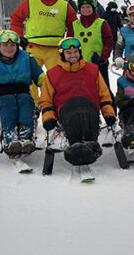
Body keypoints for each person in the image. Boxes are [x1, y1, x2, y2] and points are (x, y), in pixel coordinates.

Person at [39, 37, 116, 166]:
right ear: (62, 54)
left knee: (86, 115)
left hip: (90, 113)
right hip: (66, 115)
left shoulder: (93, 70)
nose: (73, 55)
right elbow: (46, 101)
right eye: (69, 53)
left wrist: (109, 113)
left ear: (80, 52)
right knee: (74, 115)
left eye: (75, 52)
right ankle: (76, 145)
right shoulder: (52, 74)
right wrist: (48, 118)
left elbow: (104, 95)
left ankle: (89, 144)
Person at [10, 0, 78, 103]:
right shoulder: (30, 2)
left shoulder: (64, 5)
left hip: (55, 49)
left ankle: (55, 107)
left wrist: (69, 43)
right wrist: (19, 36)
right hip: (33, 47)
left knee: (57, 80)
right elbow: (16, 18)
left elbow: (73, 25)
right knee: (30, 79)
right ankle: (33, 108)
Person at [72, 0, 114, 91]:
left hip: (98, 64)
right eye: (83, 7)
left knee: (104, 91)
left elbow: (109, 42)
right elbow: (69, 43)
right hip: (79, 64)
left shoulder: (101, 23)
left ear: (93, 8)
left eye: (88, 7)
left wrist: (103, 58)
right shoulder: (75, 25)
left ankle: (109, 106)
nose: (85, 9)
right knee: (82, 91)